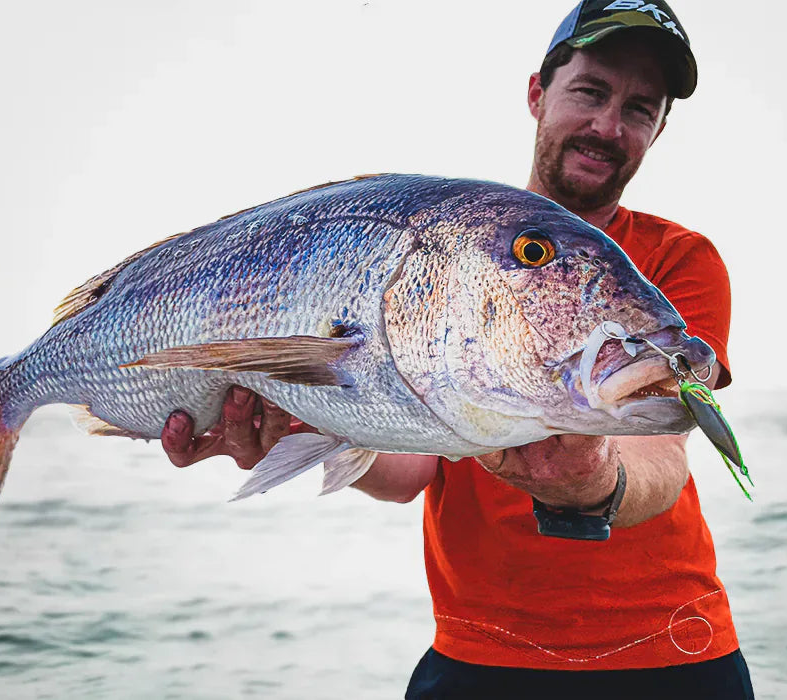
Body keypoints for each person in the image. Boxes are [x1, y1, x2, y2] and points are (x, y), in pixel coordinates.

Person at [161, 2, 751, 697]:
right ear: (537, 92)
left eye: (640, 108)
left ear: (657, 128)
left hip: (674, 651)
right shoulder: (449, 249)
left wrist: (597, 484)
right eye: (590, 91)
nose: (608, 126)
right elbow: (406, 470)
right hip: (481, 657)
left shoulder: (679, 260)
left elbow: (663, 450)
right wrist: (290, 429)